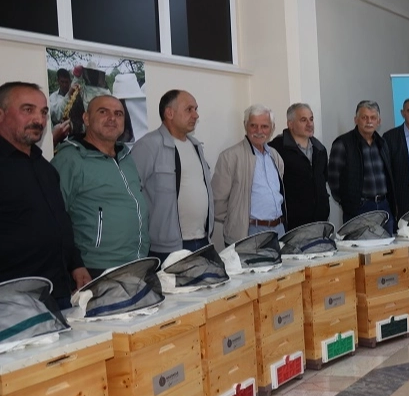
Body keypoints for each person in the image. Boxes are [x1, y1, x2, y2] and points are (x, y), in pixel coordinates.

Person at [0, 82, 89, 307]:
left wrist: (76, 264)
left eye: (43, 112)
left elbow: (60, 221)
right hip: (14, 304)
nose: (39, 120)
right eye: (28, 110)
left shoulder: (45, 168)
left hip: (58, 291)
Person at [52, 95, 149, 277]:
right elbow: (53, 218)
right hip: (96, 268)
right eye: (103, 112)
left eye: (118, 114)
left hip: (137, 261)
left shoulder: (126, 157)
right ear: (86, 118)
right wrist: (73, 265)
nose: (112, 118)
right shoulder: (70, 159)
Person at [132, 90, 215, 264]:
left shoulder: (196, 146)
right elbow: (130, 195)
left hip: (202, 241)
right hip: (166, 249)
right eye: (189, 109)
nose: (196, 115)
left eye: (196, 109)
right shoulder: (148, 146)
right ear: (169, 113)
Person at [213, 105, 287, 245]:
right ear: (245, 125)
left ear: (272, 128)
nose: (259, 131)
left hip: (278, 230)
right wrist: (237, 221)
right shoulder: (230, 157)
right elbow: (218, 202)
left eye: (264, 126)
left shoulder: (274, 156)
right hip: (249, 232)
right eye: (253, 125)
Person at [328, 100, 396, 234]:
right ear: (356, 120)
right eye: (364, 117)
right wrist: (349, 203)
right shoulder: (343, 143)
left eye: (373, 118)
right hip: (359, 208)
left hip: (383, 206)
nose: (369, 121)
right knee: (361, 246)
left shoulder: (382, 143)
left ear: (379, 121)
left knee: (387, 245)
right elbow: (333, 179)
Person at [268, 103, 329, 230]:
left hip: (319, 222)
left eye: (311, 119)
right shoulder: (276, 149)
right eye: (303, 120)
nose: (310, 124)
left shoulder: (320, 149)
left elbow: (323, 181)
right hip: (292, 225)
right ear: (290, 124)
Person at [49, 68, 73, 144]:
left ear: (70, 81)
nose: (64, 85)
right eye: (62, 82)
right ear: (58, 81)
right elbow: (57, 115)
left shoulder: (76, 96)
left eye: (66, 82)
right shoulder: (52, 98)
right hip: (59, 138)